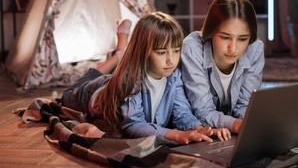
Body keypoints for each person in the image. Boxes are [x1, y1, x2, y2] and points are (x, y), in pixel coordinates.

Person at [61, 11, 230, 145]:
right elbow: (133, 125)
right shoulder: (130, 79)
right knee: (68, 94)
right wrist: (176, 135)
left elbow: (182, 112)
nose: (171, 60)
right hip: (93, 92)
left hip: (116, 80)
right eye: (162, 52)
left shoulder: (174, 75)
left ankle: (120, 52)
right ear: (143, 52)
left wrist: (200, 128)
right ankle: (119, 53)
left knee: (111, 74)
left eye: (176, 50)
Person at [181, 0, 265, 134]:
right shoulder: (192, 47)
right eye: (225, 37)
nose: (233, 48)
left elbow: (245, 105)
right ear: (211, 30)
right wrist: (235, 124)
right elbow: (203, 110)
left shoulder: (255, 48)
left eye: (242, 39)